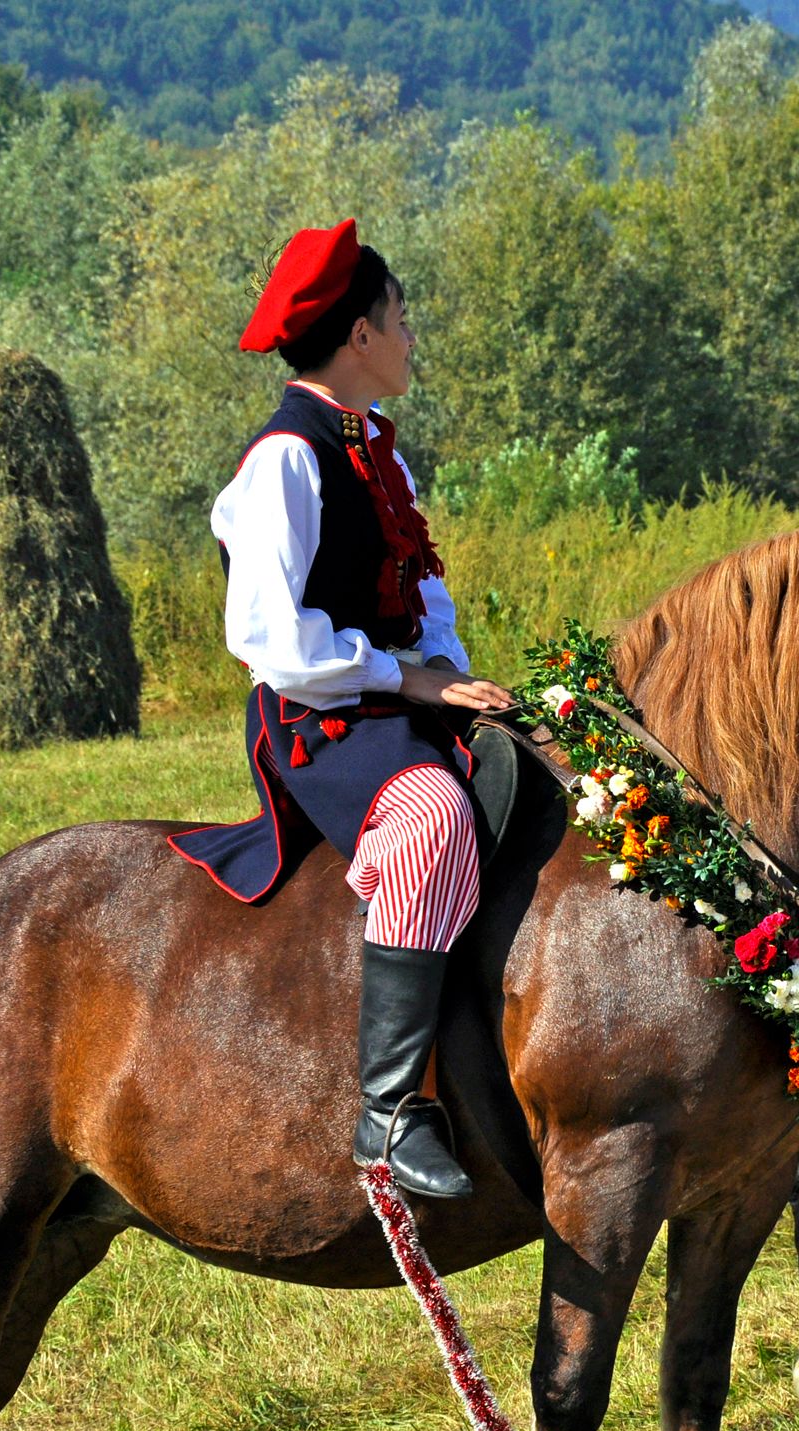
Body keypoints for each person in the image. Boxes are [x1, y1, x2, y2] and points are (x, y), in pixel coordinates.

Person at [169, 218, 514, 1198]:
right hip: (314, 717)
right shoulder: (286, 457)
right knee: (430, 817)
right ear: (359, 335)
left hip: (388, 698)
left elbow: (422, 598)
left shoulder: (376, 451)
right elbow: (270, 638)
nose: (411, 338)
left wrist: (453, 678)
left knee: (528, 761)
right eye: (401, 319)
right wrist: (405, 679)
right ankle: (391, 1111)